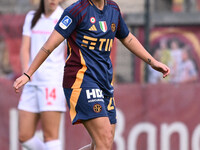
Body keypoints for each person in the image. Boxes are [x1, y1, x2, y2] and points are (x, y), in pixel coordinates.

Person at [13, 0, 170, 149]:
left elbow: (127, 38)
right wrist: (28, 74)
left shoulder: (113, 9)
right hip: (80, 80)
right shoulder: (76, 11)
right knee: (105, 138)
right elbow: (49, 46)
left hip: (104, 83)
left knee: (102, 144)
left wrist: (152, 62)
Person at [16, 0, 66, 150]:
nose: (53, 0)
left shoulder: (64, 17)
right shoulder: (31, 17)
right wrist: (27, 74)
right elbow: (25, 49)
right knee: (24, 136)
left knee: (50, 137)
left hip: (52, 83)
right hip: (31, 83)